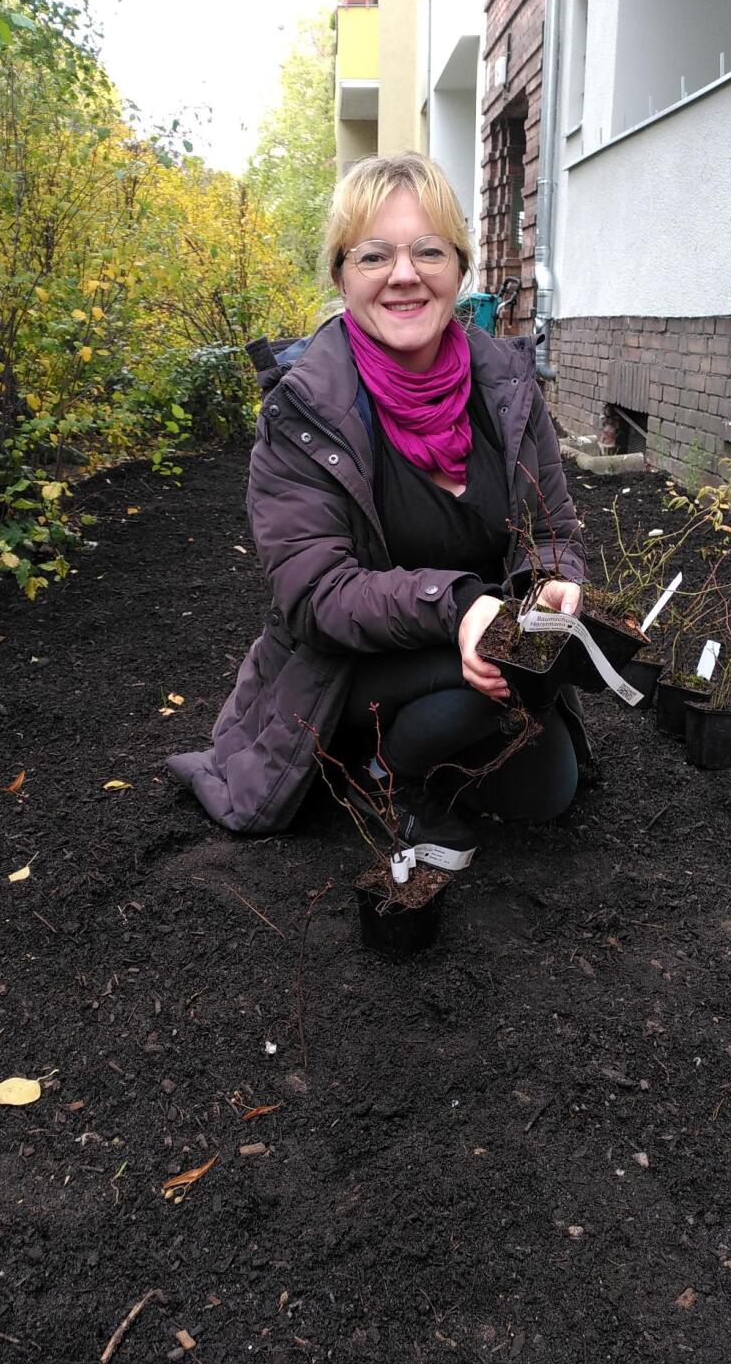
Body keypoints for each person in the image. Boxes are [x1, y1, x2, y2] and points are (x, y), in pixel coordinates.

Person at [167, 152, 588, 866]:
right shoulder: (304, 412)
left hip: (482, 647)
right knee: (479, 691)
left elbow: (553, 532)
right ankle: (374, 768)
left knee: (546, 794)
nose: (403, 274)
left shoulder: (509, 392)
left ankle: (428, 747)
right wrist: (460, 607)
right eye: (374, 255)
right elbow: (315, 594)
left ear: (460, 268)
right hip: (350, 670)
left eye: (428, 250)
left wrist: (553, 581)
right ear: (342, 276)